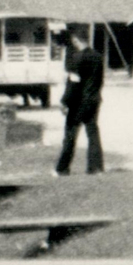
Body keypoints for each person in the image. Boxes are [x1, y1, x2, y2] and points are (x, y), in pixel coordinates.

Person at [55, 31, 105, 175]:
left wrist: (64, 101)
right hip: (94, 99)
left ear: (76, 40)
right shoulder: (98, 57)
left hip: (78, 102)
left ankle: (62, 168)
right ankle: (95, 167)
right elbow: (100, 81)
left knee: (70, 134)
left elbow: (73, 84)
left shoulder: (77, 58)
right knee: (93, 133)